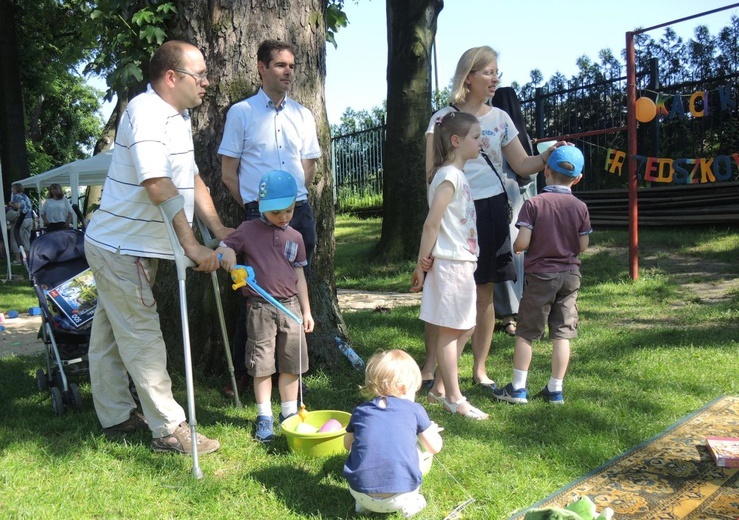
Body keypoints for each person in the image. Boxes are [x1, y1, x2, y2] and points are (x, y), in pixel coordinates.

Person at [84, 40, 232, 454]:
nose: (207, 82)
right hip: (121, 247)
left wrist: (218, 228)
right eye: (199, 75)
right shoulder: (146, 112)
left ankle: (114, 417)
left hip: (126, 245)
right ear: (171, 78)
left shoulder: (176, 116)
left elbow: (190, 179)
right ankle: (168, 429)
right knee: (142, 335)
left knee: (113, 334)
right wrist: (191, 246)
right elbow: (157, 183)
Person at [421, 46, 562, 393]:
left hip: (492, 208)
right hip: (454, 212)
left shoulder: (500, 118)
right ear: (467, 76)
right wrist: (442, 212)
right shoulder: (442, 119)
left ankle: (479, 370)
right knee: (442, 291)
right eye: (488, 72)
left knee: (483, 293)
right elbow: (430, 173)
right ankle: (430, 368)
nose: (495, 78)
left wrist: (546, 157)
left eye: (497, 72)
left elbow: (522, 165)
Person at [217, 39, 321, 399]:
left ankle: (293, 369)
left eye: (292, 65)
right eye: (280, 65)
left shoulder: (303, 115)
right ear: (261, 67)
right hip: (256, 217)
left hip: (300, 212)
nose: (288, 71)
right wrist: (253, 208)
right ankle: (247, 373)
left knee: (295, 284)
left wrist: (291, 206)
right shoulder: (241, 113)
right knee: (253, 294)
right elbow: (228, 172)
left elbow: (308, 166)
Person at [216, 170, 315, 443]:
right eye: (275, 212)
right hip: (259, 309)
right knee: (261, 366)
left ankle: (288, 413)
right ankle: (264, 417)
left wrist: (306, 311)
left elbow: (300, 276)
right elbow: (225, 247)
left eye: (288, 210)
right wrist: (226, 254)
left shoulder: (295, 237)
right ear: (261, 207)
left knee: (291, 364)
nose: (283, 217)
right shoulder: (247, 230)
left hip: (291, 308)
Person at [493, 145, 591, 405]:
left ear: (546, 170)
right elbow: (582, 246)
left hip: (540, 277)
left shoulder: (533, 204)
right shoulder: (580, 207)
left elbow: (522, 242)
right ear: (578, 178)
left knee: (526, 332)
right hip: (570, 276)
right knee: (562, 333)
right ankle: (555, 390)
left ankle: (517, 388)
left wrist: (516, 247)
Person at [411, 111, 489, 420]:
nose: (481, 141)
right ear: (456, 141)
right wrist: (421, 264)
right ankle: (454, 398)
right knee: (450, 329)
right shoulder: (447, 176)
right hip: (450, 264)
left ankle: (439, 389)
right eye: (475, 136)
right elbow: (432, 224)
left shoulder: (457, 175)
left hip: (462, 263)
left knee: (466, 326)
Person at [343, 349, 443, 517]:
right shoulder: (414, 410)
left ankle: (364, 505)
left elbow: (346, 445)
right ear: (403, 387)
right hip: (400, 497)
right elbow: (435, 447)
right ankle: (411, 504)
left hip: (359, 493)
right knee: (417, 446)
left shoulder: (360, 411)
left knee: (356, 443)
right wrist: (431, 431)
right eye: (414, 390)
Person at [491, 87, 539, 337]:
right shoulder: (517, 134)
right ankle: (518, 313)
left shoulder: (491, 129)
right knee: (515, 256)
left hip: (494, 199)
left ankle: (508, 315)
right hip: (517, 201)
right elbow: (528, 173)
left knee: (503, 256)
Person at [9, 183, 33, 263]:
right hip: (29, 219)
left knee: (16, 238)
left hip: (21, 219)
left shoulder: (16, 196)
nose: (12, 190)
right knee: (26, 240)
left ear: (16, 189)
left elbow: (17, 206)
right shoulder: (26, 196)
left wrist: (10, 204)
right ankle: (27, 258)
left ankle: (18, 259)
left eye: (13, 188)